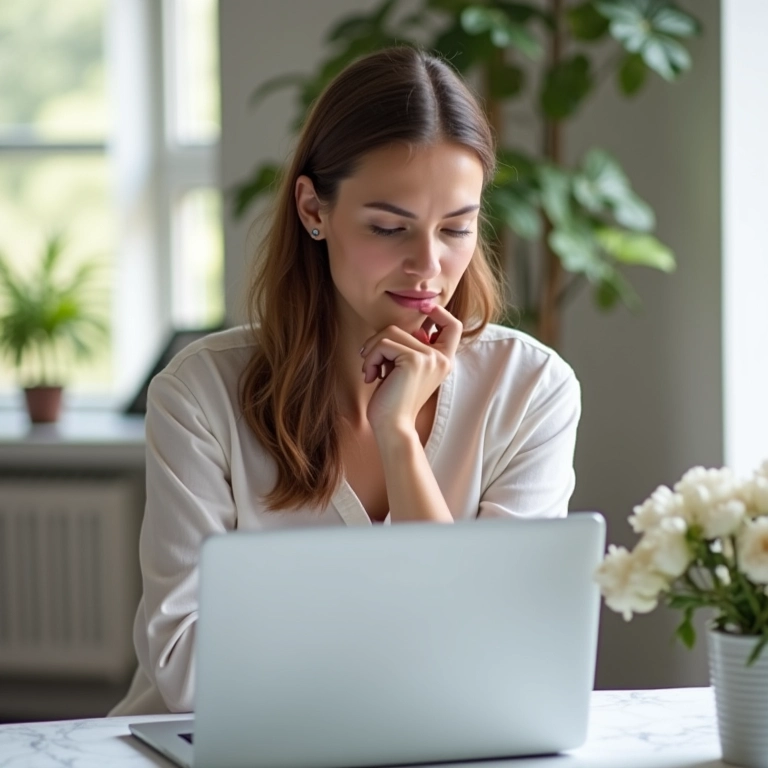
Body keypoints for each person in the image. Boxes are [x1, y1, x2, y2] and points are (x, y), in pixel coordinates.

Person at [109, 45, 581, 716]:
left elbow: (493, 659)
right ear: (313, 209)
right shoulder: (199, 395)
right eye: (389, 227)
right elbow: (188, 669)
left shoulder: (531, 388)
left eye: (457, 228)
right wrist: (415, 642)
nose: (428, 265)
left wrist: (398, 436)